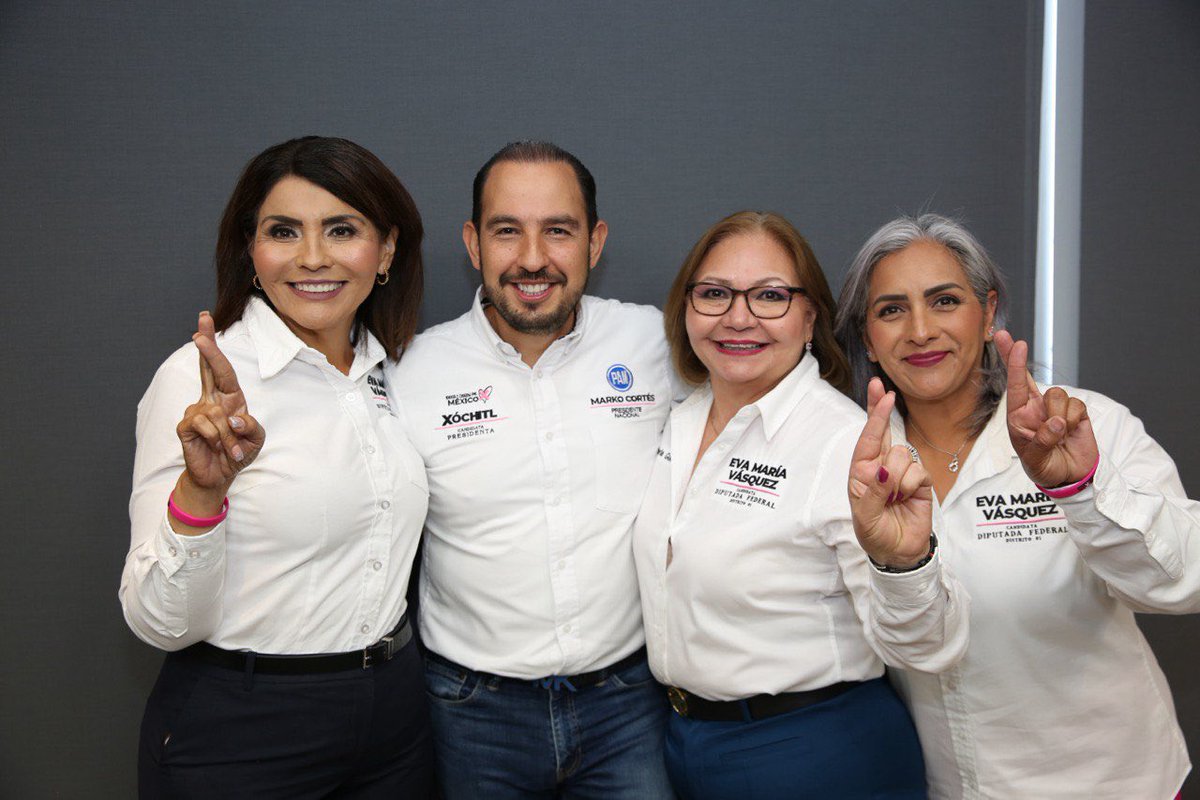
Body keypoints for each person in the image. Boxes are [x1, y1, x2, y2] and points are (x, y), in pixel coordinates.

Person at [834, 212, 1200, 799]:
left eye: (945, 300)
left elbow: (1181, 584)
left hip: (1117, 783)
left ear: (987, 313)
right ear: (869, 340)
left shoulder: (1082, 423)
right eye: (891, 310)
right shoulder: (856, 464)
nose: (920, 330)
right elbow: (916, 648)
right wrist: (902, 564)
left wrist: (1081, 488)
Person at [121, 136, 434, 798]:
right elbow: (159, 622)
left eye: (342, 230)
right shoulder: (198, 381)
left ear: (386, 250)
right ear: (249, 250)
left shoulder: (396, 373)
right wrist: (202, 495)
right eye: (284, 231)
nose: (312, 257)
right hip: (244, 730)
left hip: (395, 720)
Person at [633, 210, 969, 799]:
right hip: (686, 743)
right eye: (714, 294)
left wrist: (904, 564)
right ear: (685, 308)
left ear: (810, 315)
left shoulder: (848, 443)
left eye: (770, 296)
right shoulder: (677, 421)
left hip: (817, 752)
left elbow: (926, 646)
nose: (739, 317)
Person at [386, 141, 677, 798]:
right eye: (507, 231)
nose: (533, 258)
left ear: (595, 242)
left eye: (559, 231)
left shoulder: (658, 345)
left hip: (627, 705)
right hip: (472, 712)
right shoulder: (410, 373)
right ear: (473, 242)